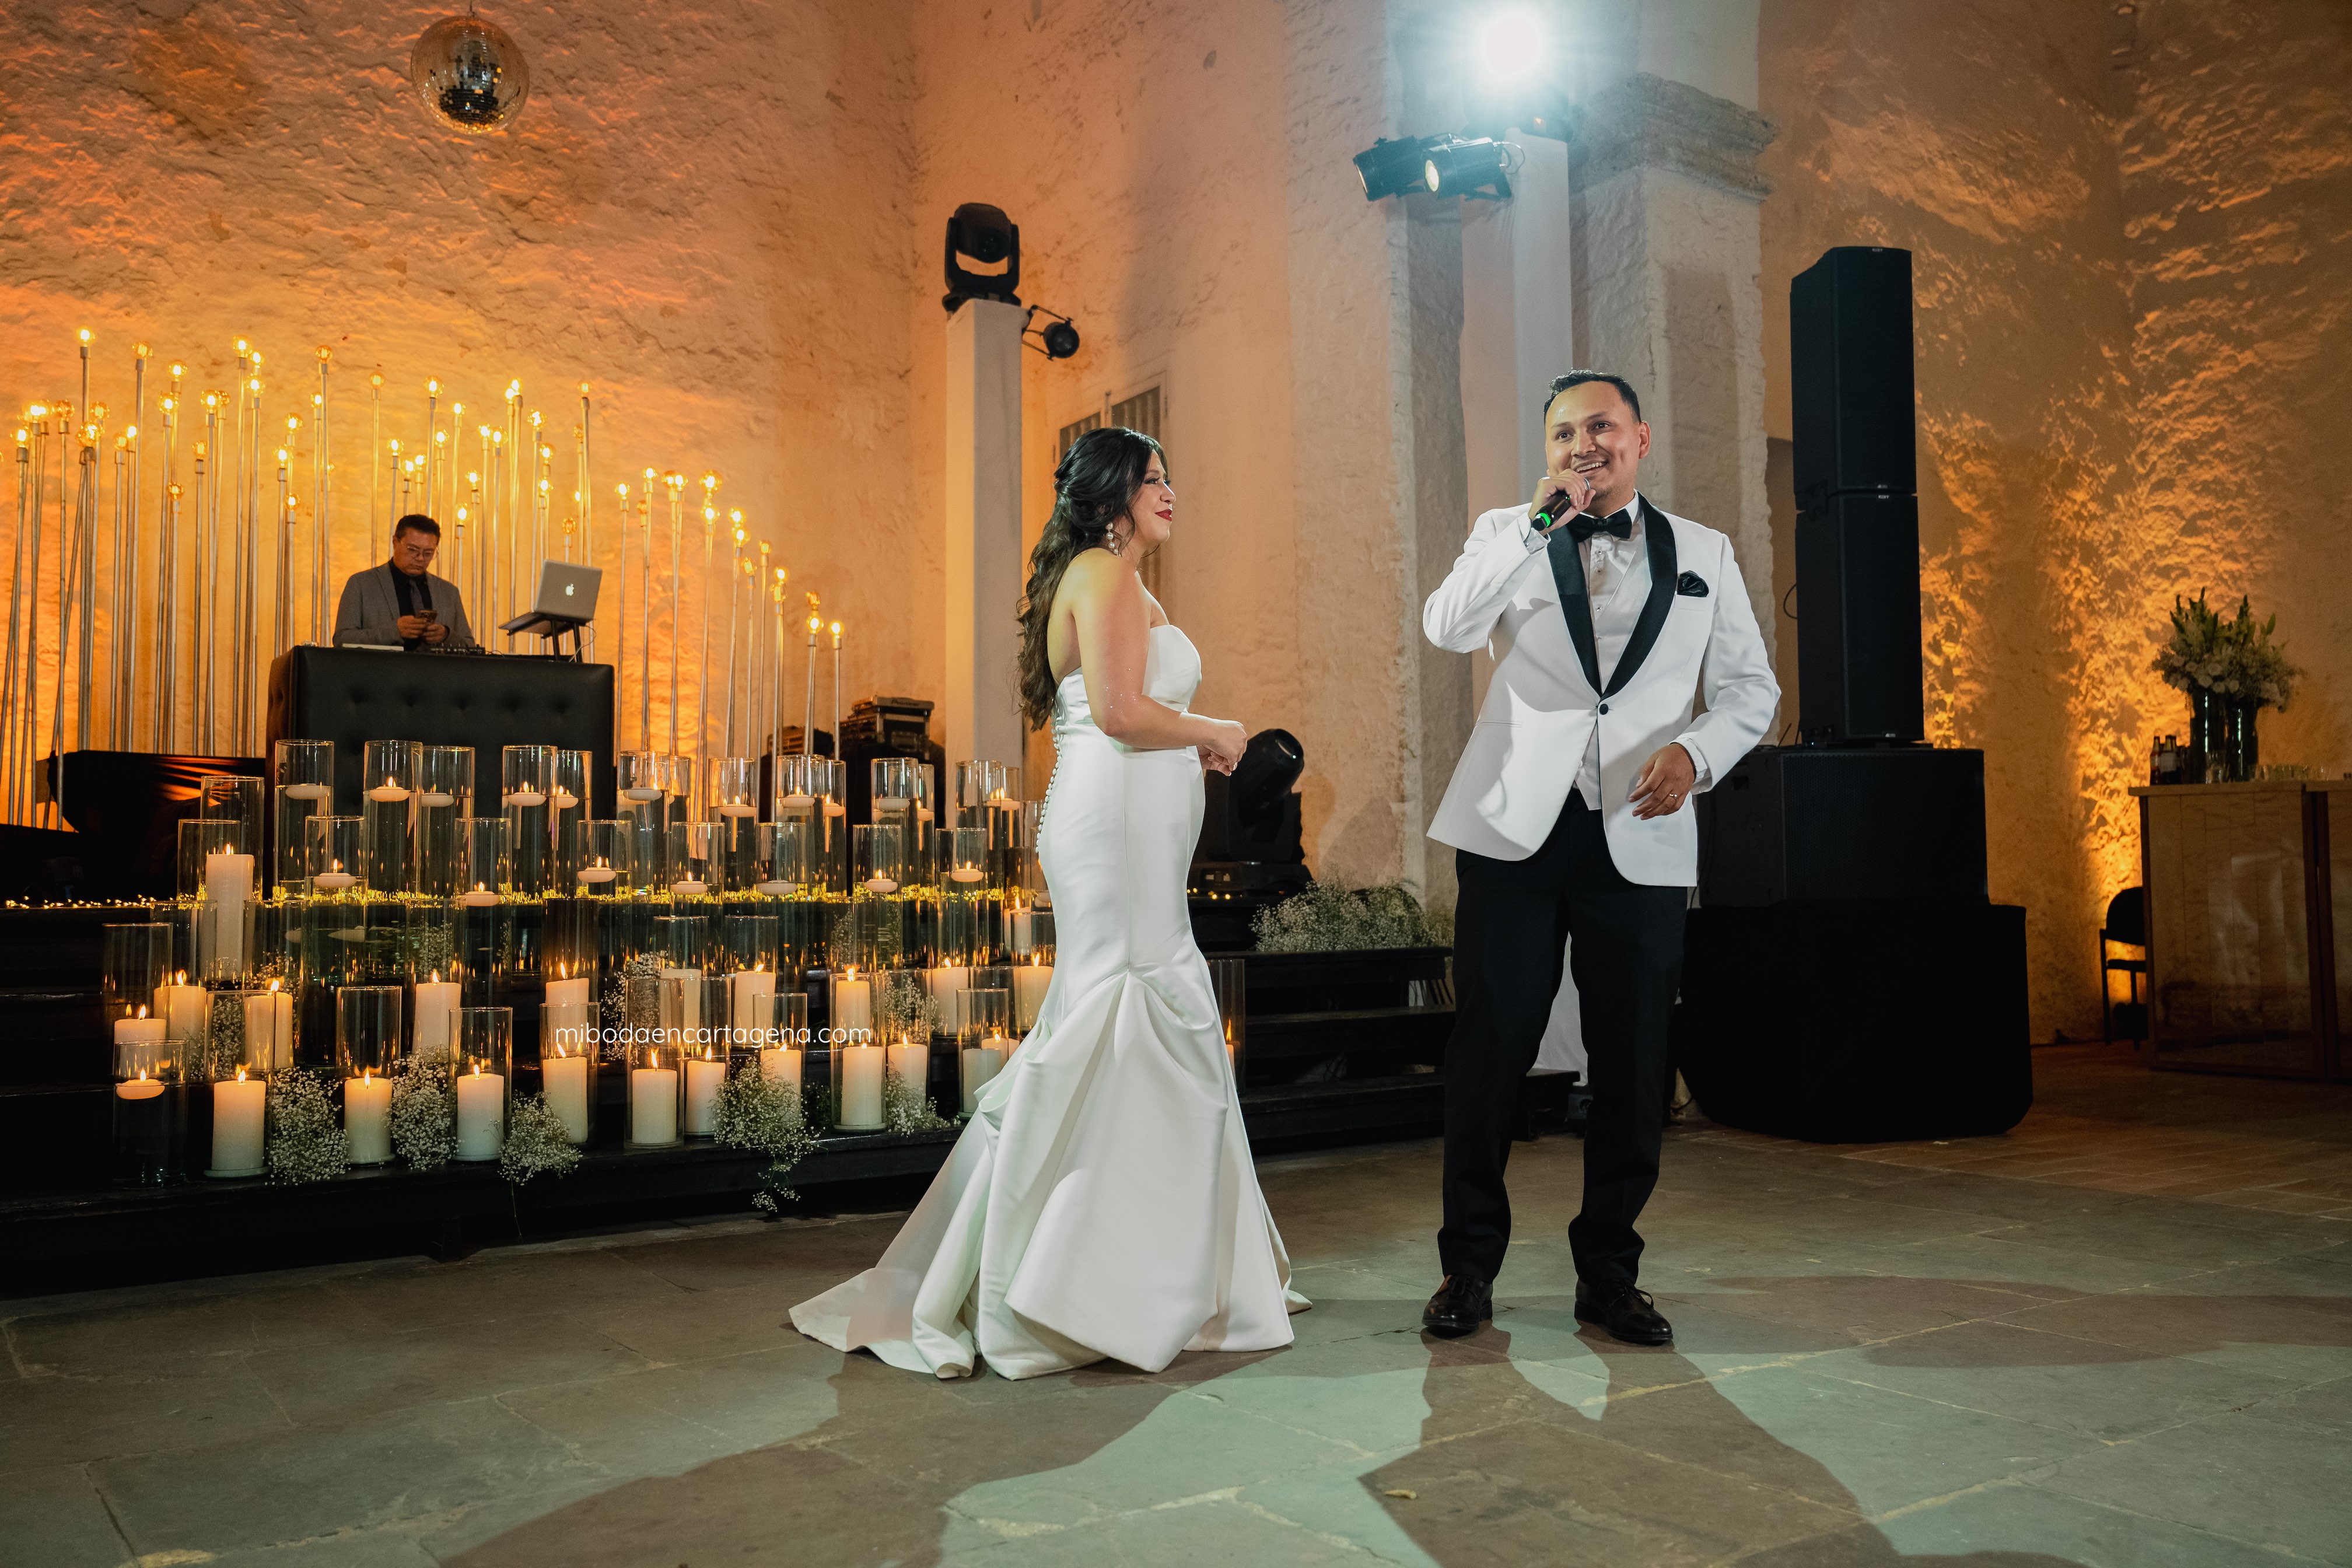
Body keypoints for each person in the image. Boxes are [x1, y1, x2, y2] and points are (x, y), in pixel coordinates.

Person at [790, 427, 1308, 1378]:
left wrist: (1187, 745)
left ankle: (1142, 1267)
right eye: (1153, 480)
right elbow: (1117, 713)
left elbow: (1125, 712)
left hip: (1131, 823)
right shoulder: (1103, 575)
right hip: (1114, 831)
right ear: (1111, 495)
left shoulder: (1115, 577)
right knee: (1133, 1006)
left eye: (1169, 477)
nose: (1170, 492)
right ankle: (1085, 1281)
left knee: (1136, 1012)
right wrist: (1215, 727)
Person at [1419, 371, 1779, 1345]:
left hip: (1642, 827)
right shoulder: (1509, 531)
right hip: (1515, 829)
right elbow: (1447, 627)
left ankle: (1610, 1274)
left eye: (1601, 427)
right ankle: (1467, 1268)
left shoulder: (1703, 552)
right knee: (1489, 1049)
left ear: (1640, 438)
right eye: (1563, 432)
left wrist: (1695, 753)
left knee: (1632, 1058)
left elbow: (1751, 689)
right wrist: (1537, 525)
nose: (1583, 445)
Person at [332, 514, 478, 651]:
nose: (420, 558)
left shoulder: (448, 592)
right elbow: (342, 639)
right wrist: (394, 631)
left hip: (434, 670)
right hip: (380, 669)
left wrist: (446, 636)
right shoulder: (361, 584)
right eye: (413, 550)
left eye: (428, 553)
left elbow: (470, 645)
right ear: (395, 542)